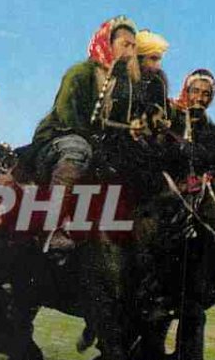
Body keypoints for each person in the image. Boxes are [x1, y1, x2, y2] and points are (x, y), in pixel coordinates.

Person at [30, 14, 143, 253]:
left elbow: (112, 124)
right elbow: (67, 116)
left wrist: (130, 128)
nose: (130, 51)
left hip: (94, 142)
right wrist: (96, 139)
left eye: (133, 46)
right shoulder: (80, 73)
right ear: (108, 43)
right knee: (77, 149)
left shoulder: (124, 84)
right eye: (125, 44)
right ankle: (51, 230)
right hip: (58, 136)